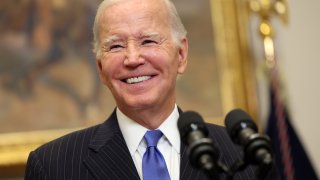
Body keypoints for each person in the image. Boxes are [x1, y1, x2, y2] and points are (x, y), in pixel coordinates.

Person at [24, 0, 265, 179]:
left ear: (181, 55)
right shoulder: (53, 166)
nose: (132, 58)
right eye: (115, 46)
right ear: (100, 67)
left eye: (148, 41)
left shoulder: (243, 156)